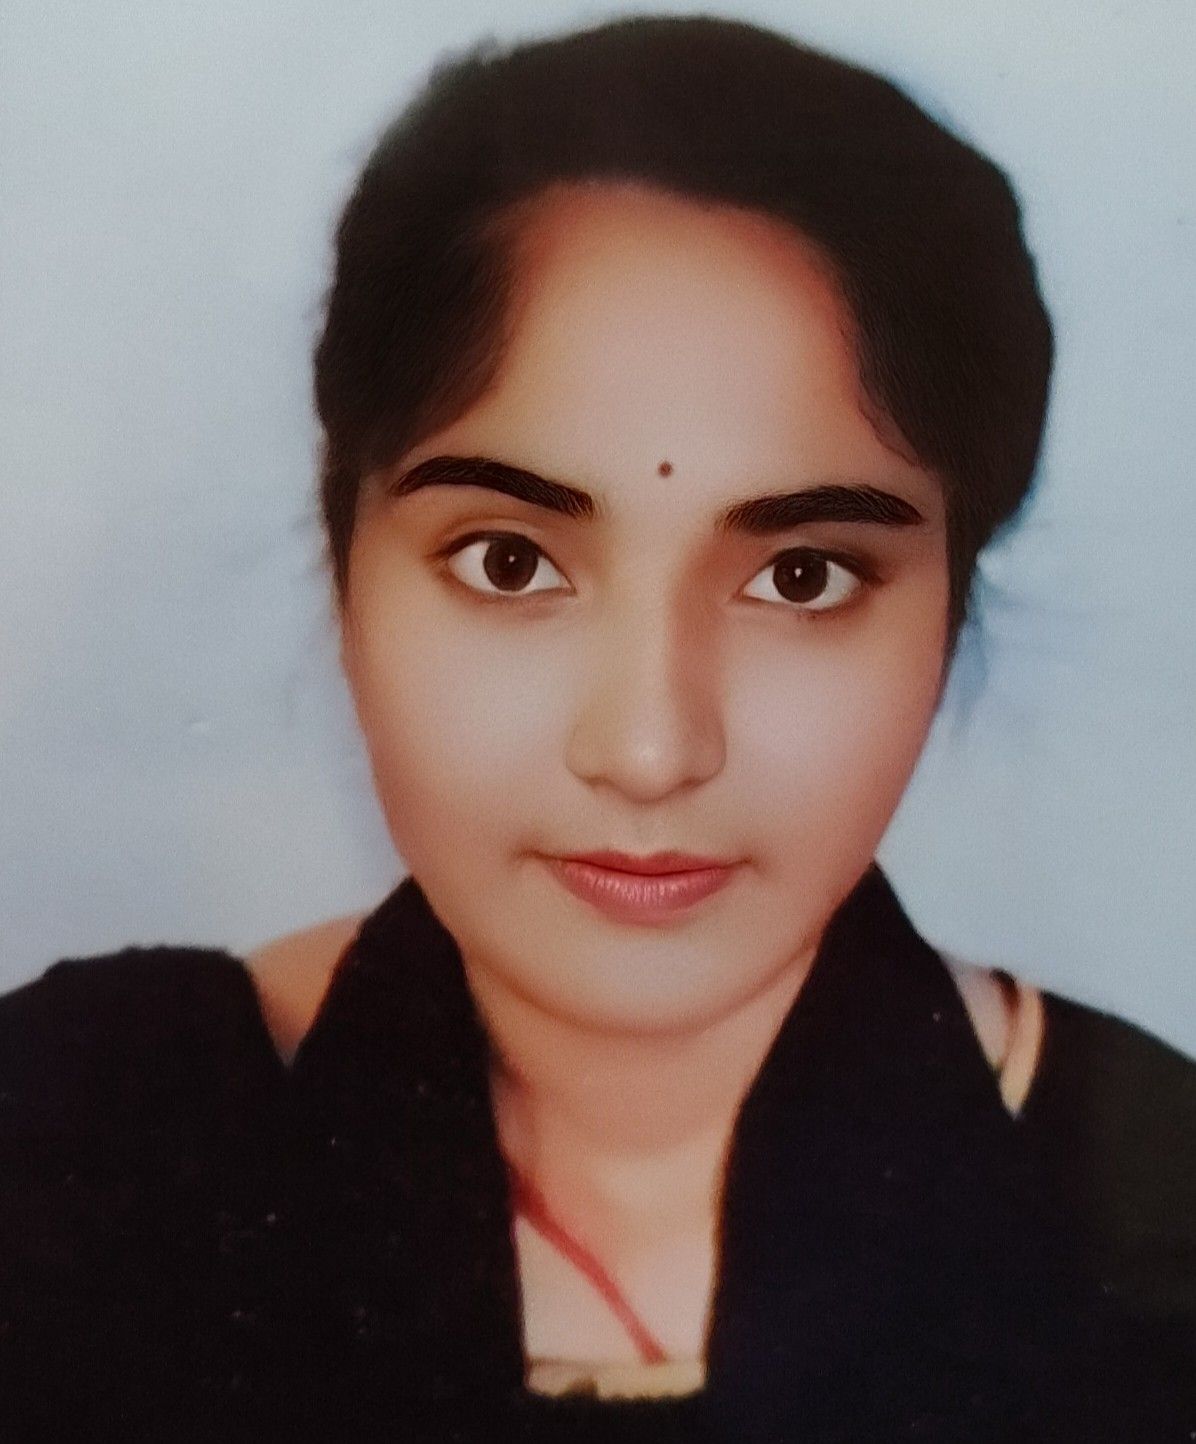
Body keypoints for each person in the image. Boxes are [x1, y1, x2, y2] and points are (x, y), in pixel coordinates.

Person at [1, 13, 1193, 1441]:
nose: (648, 749)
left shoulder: (1158, 1209)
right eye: (511, 562)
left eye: (801, 578)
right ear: (345, 568)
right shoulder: (70, 1141)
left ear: (948, 608)